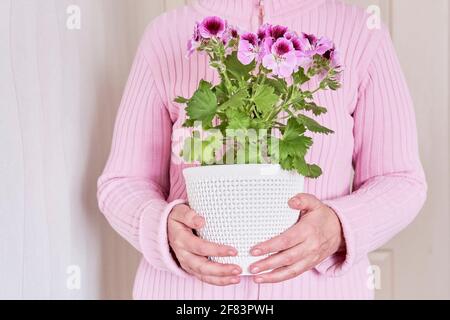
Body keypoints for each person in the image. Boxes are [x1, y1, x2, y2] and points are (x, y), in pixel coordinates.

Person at [97, 0, 427, 300]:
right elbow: (122, 182)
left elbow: (400, 179)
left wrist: (340, 227)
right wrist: (163, 229)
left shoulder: (361, 32)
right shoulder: (165, 35)